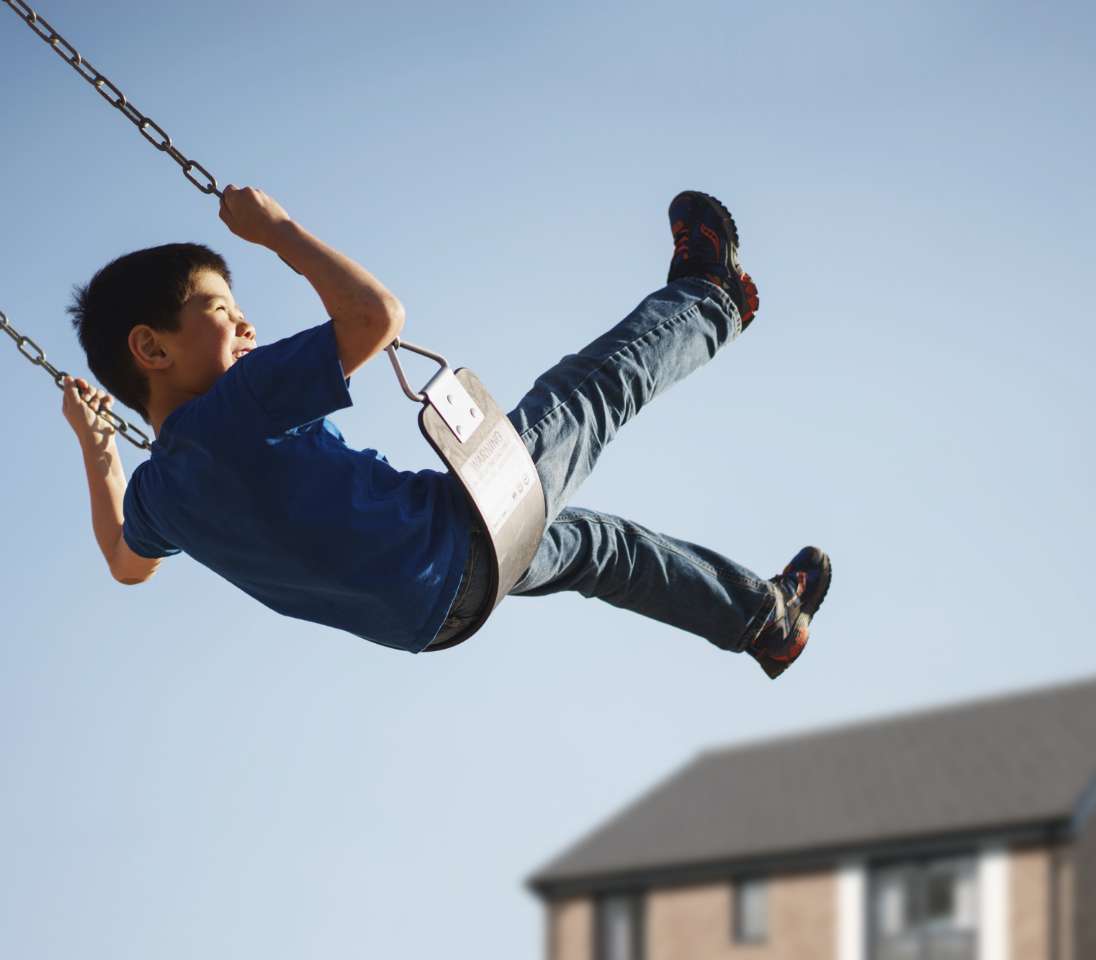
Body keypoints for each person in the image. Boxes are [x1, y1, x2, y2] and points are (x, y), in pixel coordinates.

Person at [63, 188, 830, 678]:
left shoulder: (159, 493)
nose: (245, 321)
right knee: (587, 395)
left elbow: (125, 563)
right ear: (152, 348)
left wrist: (100, 452)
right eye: (220, 309)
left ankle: (764, 619)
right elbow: (375, 317)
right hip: (455, 539)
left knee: (603, 550)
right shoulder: (236, 407)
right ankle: (711, 299)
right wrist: (279, 231)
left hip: (434, 615)